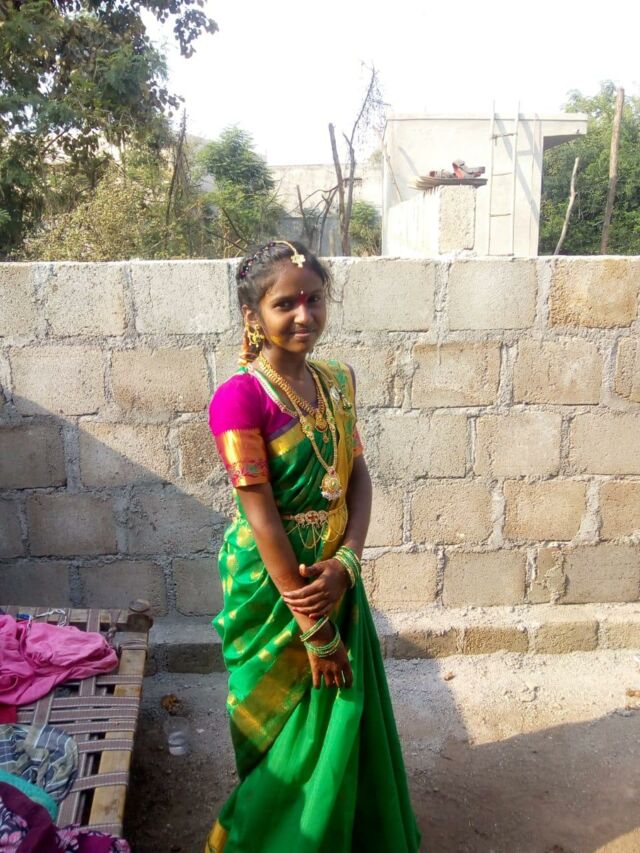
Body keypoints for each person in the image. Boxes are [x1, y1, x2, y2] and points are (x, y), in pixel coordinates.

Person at [206, 239, 421, 853]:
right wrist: (315, 628)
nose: (304, 315)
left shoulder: (337, 381)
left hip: (334, 577)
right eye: (285, 304)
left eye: (315, 299)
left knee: (344, 715)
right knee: (287, 733)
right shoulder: (239, 398)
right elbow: (262, 517)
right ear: (253, 315)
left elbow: (357, 476)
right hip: (276, 588)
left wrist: (347, 564)